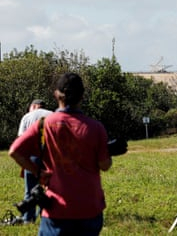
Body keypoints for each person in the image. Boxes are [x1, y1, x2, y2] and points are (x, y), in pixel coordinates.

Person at [9, 73, 112, 235]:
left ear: (56, 95)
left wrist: (38, 172)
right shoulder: (96, 127)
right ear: (82, 96)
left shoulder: (44, 124)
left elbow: (15, 151)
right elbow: (104, 166)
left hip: (57, 208)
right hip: (89, 207)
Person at [14, 99, 52, 224]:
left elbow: (21, 139)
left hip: (32, 157)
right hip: (50, 158)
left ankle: (28, 218)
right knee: (49, 188)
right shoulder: (52, 115)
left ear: (33, 106)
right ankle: (46, 216)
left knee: (30, 189)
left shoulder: (27, 117)